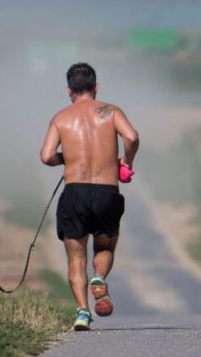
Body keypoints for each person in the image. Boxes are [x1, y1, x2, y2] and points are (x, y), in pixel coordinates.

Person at [40, 62, 139, 331]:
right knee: (105, 247)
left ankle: (83, 312)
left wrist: (67, 157)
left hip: (74, 192)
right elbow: (131, 136)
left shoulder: (61, 117)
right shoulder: (111, 112)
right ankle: (99, 278)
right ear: (96, 87)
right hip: (107, 191)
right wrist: (126, 162)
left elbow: (47, 156)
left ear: (68, 90)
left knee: (75, 257)